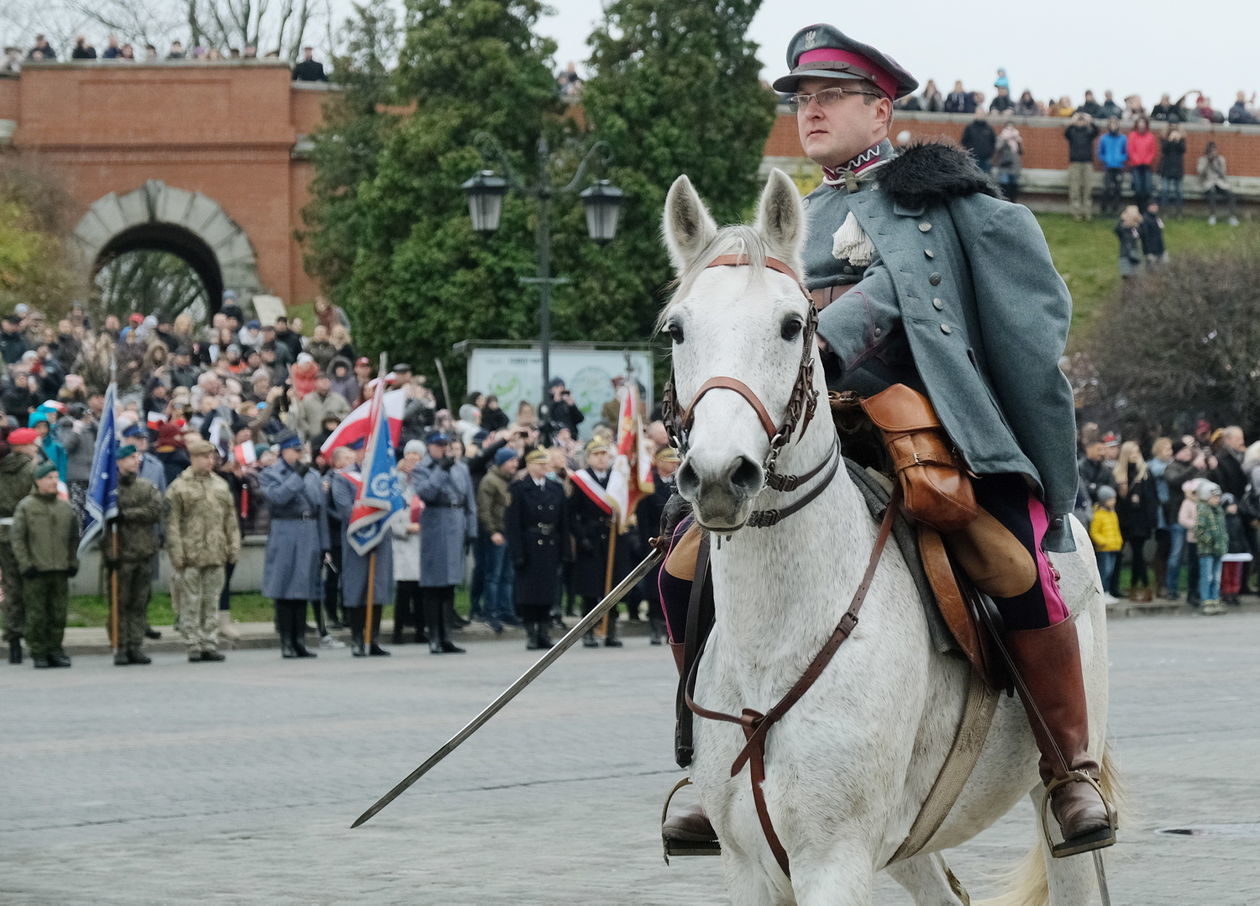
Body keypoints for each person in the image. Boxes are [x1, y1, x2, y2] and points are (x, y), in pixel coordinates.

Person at [663, 24, 1114, 855]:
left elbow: (1015, 329)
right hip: (800, 438)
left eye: (829, 97)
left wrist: (1051, 481)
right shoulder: (799, 215)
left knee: (1014, 563)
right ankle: (703, 766)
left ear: (881, 108)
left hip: (926, 433)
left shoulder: (949, 205)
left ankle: (1067, 771)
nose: (811, 112)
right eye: (802, 100)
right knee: (685, 563)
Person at [165, 437, 239, 662]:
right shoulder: (179, 486)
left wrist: (233, 545)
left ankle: (210, 642)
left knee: (211, 599)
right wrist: (176, 552)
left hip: (216, 552)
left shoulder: (220, 485)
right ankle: (193, 642)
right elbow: (172, 524)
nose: (210, 461)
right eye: (205, 457)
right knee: (190, 600)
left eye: (212, 457)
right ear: (193, 458)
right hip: (190, 553)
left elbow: (230, 519)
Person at [259, 431, 325, 658]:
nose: (299, 455)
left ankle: (300, 641)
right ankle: (286, 641)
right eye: (295, 451)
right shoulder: (270, 474)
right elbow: (277, 498)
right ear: (284, 451)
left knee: (302, 587)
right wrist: (297, 477)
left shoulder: (312, 475)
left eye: (301, 451)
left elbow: (319, 509)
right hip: (285, 529)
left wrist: (324, 543)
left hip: (308, 530)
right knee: (285, 586)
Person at [413, 431, 476, 654]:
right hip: (436, 524)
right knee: (433, 583)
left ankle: (447, 636)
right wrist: (441, 470)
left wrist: (472, 529)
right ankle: (434, 637)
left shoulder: (461, 467)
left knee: (449, 583)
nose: (441, 449)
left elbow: (469, 501)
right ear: (429, 447)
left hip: (456, 522)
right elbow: (426, 493)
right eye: (437, 445)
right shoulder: (423, 468)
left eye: (444, 445)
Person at [11, 461, 78, 669]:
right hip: (36, 570)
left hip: (60, 568)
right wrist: (25, 564)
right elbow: (18, 539)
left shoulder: (65, 507)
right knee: (37, 614)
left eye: (56, 478)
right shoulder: (27, 506)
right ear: (38, 481)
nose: (53, 482)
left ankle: (55, 650)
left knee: (58, 613)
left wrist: (72, 561)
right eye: (49, 478)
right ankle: (38, 651)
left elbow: (73, 538)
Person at [329, 447, 393, 656]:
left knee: (377, 588)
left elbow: (390, 501)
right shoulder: (342, 478)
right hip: (356, 538)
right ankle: (357, 638)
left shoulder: (380, 477)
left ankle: (372, 639)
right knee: (357, 589)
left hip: (381, 537)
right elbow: (345, 508)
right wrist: (368, 524)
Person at [568, 439, 629, 648]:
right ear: (589, 458)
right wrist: (581, 536)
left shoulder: (616, 479)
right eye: (597, 454)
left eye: (604, 454)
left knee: (612, 586)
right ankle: (588, 631)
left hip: (613, 538)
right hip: (590, 538)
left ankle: (610, 630)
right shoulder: (581, 481)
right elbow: (572, 514)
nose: (601, 458)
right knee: (590, 589)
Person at [505, 448, 568, 650]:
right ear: (530, 465)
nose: (544, 467)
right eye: (539, 464)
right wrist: (517, 552)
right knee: (529, 592)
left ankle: (544, 630)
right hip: (529, 544)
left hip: (550, 543)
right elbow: (513, 524)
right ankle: (531, 631)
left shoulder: (555, 488)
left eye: (545, 464)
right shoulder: (519, 488)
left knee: (548, 591)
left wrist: (565, 550)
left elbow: (562, 521)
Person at [111, 444, 163, 665]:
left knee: (139, 603)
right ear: (119, 462)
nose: (135, 461)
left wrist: (126, 514)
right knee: (120, 603)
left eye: (136, 457)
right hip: (120, 554)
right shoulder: (110, 490)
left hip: (143, 551)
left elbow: (155, 509)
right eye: (130, 458)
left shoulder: (146, 487)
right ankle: (120, 645)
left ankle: (136, 644)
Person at [0, 428, 38, 663]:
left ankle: (13, 639)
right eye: (33, 443)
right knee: (32, 586)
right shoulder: (32, 470)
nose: (36, 447)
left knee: (10, 586)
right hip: (27, 532)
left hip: (3, 533)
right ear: (22, 447)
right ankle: (33, 638)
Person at [476, 446, 520, 633]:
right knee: (493, 575)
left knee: (507, 576)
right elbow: (484, 509)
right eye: (512, 461)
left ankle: (505, 610)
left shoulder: (510, 481)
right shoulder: (490, 481)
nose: (515, 464)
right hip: (497, 533)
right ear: (502, 462)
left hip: (509, 532)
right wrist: (492, 531)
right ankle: (491, 611)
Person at [390, 440, 425, 644]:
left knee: (421, 592)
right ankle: (398, 631)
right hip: (403, 540)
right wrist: (402, 529)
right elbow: (391, 506)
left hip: (421, 540)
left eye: (417, 455)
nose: (412, 458)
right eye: (409, 453)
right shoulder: (396, 479)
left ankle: (421, 630)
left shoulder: (423, 480)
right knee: (403, 591)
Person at [1114, 441, 1157, 601]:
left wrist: (1152, 521)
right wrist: (1124, 494)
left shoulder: (1145, 473)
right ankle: (1120, 587)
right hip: (1123, 519)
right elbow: (1117, 502)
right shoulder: (1118, 473)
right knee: (1119, 554)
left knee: (1138, 554)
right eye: (1132, 452)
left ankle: (1141, 587)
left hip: (1140, 520)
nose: (1135, 455)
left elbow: (1151, 499)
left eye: (1137, 451)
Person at [1195, 482, 1227, 615]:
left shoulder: (1219, 511)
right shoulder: (1203, 510)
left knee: (1216, 577)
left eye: (1218, 497)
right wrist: (1211, 541)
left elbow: (1222, 529)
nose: (1217, 500)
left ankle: (1215, 599)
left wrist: (1223, 541)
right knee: (1207, 576)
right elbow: (1198, 530)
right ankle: (1206, 601)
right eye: (1214, 497)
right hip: (1207, 550)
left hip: (1218, 550)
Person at [1089, 486, 1122, 605]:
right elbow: (1094, 532)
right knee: (1105, 571)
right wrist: (1103, 542)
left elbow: (1116, 529)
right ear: (1104, 500)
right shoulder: (1098, 515)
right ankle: (1102, 593)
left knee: (1110, 571)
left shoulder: (1113, 514)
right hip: (1104, 548)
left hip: (1113, 547)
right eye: (1111, 499)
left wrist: (1118, 541)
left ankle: (1107, 592)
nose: (1114, 501)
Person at [1063, 112, 1099, 221]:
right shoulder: (1072, 131)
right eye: (1079, 120)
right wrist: (1072, 121)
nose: (1080, 122)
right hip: (1075, 163)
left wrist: (1090, 120)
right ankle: (1076, 213)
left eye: (1082, 120)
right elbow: (1066, 133)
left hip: (1087, 163)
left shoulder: (1089, 131)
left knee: (1088, 189)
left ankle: (1087, 212)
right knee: (1075, 188)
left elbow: (1096, 131)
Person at [1197, 142, 1239, 226]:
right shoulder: (1203, 160)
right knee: (1212, 193)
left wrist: (1216, 165)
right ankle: (1212, 216)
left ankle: (1232, 217)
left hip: (1220, 183)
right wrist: (1208, 162)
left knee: (1230, 194)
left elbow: (1223, 174)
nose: (1213, 152)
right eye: (1211, 150)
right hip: (1209, 184)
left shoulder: (1221, 159)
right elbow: (1200, 173)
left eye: (1214, 150)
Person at [1097, 118, 1127, 216]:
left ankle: (1115, 209)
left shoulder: (1123, 138)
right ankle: (1104, 208)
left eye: (1115, 124)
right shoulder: (1104, 138)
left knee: (1117, 188)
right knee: (1107, 188)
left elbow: (1125, 152)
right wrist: (1106, 159)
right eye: (1111, 124)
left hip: (1119, 167)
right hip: (1108, 167)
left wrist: (1120, 159)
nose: (1113, 126)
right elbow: (1100, 152)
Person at [1126, 117, 1156, 207]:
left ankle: (1146, 208)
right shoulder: (1132, 135)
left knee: (1147, 188)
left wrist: (1147, 161)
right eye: (1140, 122)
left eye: (1143, 123)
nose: (1141, 125)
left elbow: (1152, 151)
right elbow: (1131, 150)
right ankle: (1138, 207)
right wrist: (1137, 160)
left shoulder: (1150, 136)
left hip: (1147, 166)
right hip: (1136, 166)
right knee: (1138, 188)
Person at [1158, 124, 1186, 216]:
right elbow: (1163, 149)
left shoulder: (1181, 140)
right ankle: (1164, 211)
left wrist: (1178, 140)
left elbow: (1183, 150)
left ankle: (1179, 212)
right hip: (1166, 168)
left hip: (1177, 169)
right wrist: (1169, 140)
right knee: (1165, 191)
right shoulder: (1165, 139)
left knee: (1179, 192)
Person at [993, 120, 1023, 203]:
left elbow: (1021, 152)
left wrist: (1019, 142)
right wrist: (1004, 140)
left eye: (1011, 127)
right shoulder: (1001, 138)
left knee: (1014, 185)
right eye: (1008, 127)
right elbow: (997, 149)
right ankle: (1005, 202)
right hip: (1004, 165)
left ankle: (1013, 202)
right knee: (1004, 184)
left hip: (1015, 166)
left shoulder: (1017, 138)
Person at [959, 108, 996, 173]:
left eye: (982, 114)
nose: (980, 115)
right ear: (975, 115)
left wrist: (990, 152)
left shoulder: (989, 128)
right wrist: (971, 152)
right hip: (973, 159)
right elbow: (964, 141)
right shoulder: (970, 127)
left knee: (986, 179)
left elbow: (993, 142)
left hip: (986, 159)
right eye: (978, 113)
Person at [1115, 206, 1144, 279]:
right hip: (1125, 255)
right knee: (1126, 277)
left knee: (1135, 277)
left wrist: (1139, 220)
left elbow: (1144, 233)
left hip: (1135, 255)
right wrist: (1122, 219)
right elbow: (1117, 230)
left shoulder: (1136, 229)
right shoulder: (1122, 228)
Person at [1139, 201, 1167, 266]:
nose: (1156, 208)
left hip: (1160, 249)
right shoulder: (1145, 219)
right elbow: (1145, 236)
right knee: (1151, 270)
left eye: (1156, 206)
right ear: (1148, 207)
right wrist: (1148, 251)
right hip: (1151, 250)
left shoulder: (1157, 218)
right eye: (1153, 206)